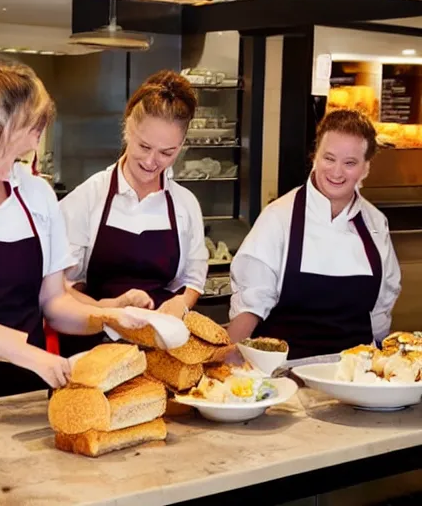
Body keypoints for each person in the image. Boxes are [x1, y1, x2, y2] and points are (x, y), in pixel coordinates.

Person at [0, 55, 142, 410]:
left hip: (25, 392)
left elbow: (55, 302)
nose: (36, 143)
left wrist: (110, 318)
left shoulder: (38, 194)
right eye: (32, 129)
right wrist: (25, 352)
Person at [228, 109, 401, 359]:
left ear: (366, 168)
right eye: (329, 158)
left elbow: (381, 309)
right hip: (286, 375)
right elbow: (250, 306)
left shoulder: (375, 223)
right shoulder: (279, 217)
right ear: (315, 157)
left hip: (355, 374)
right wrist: (227, 357)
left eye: (350, 163)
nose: (337, 172)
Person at [59, 70, 208, 357]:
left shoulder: (185, 204)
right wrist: (109, 308)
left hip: (161, 350)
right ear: (127, 127)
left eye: (167, 153)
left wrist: (182, 304)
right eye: (144, 146)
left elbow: (192, 279)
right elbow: (57, 289)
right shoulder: (88, 199)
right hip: (94, 348)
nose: (153, 162)